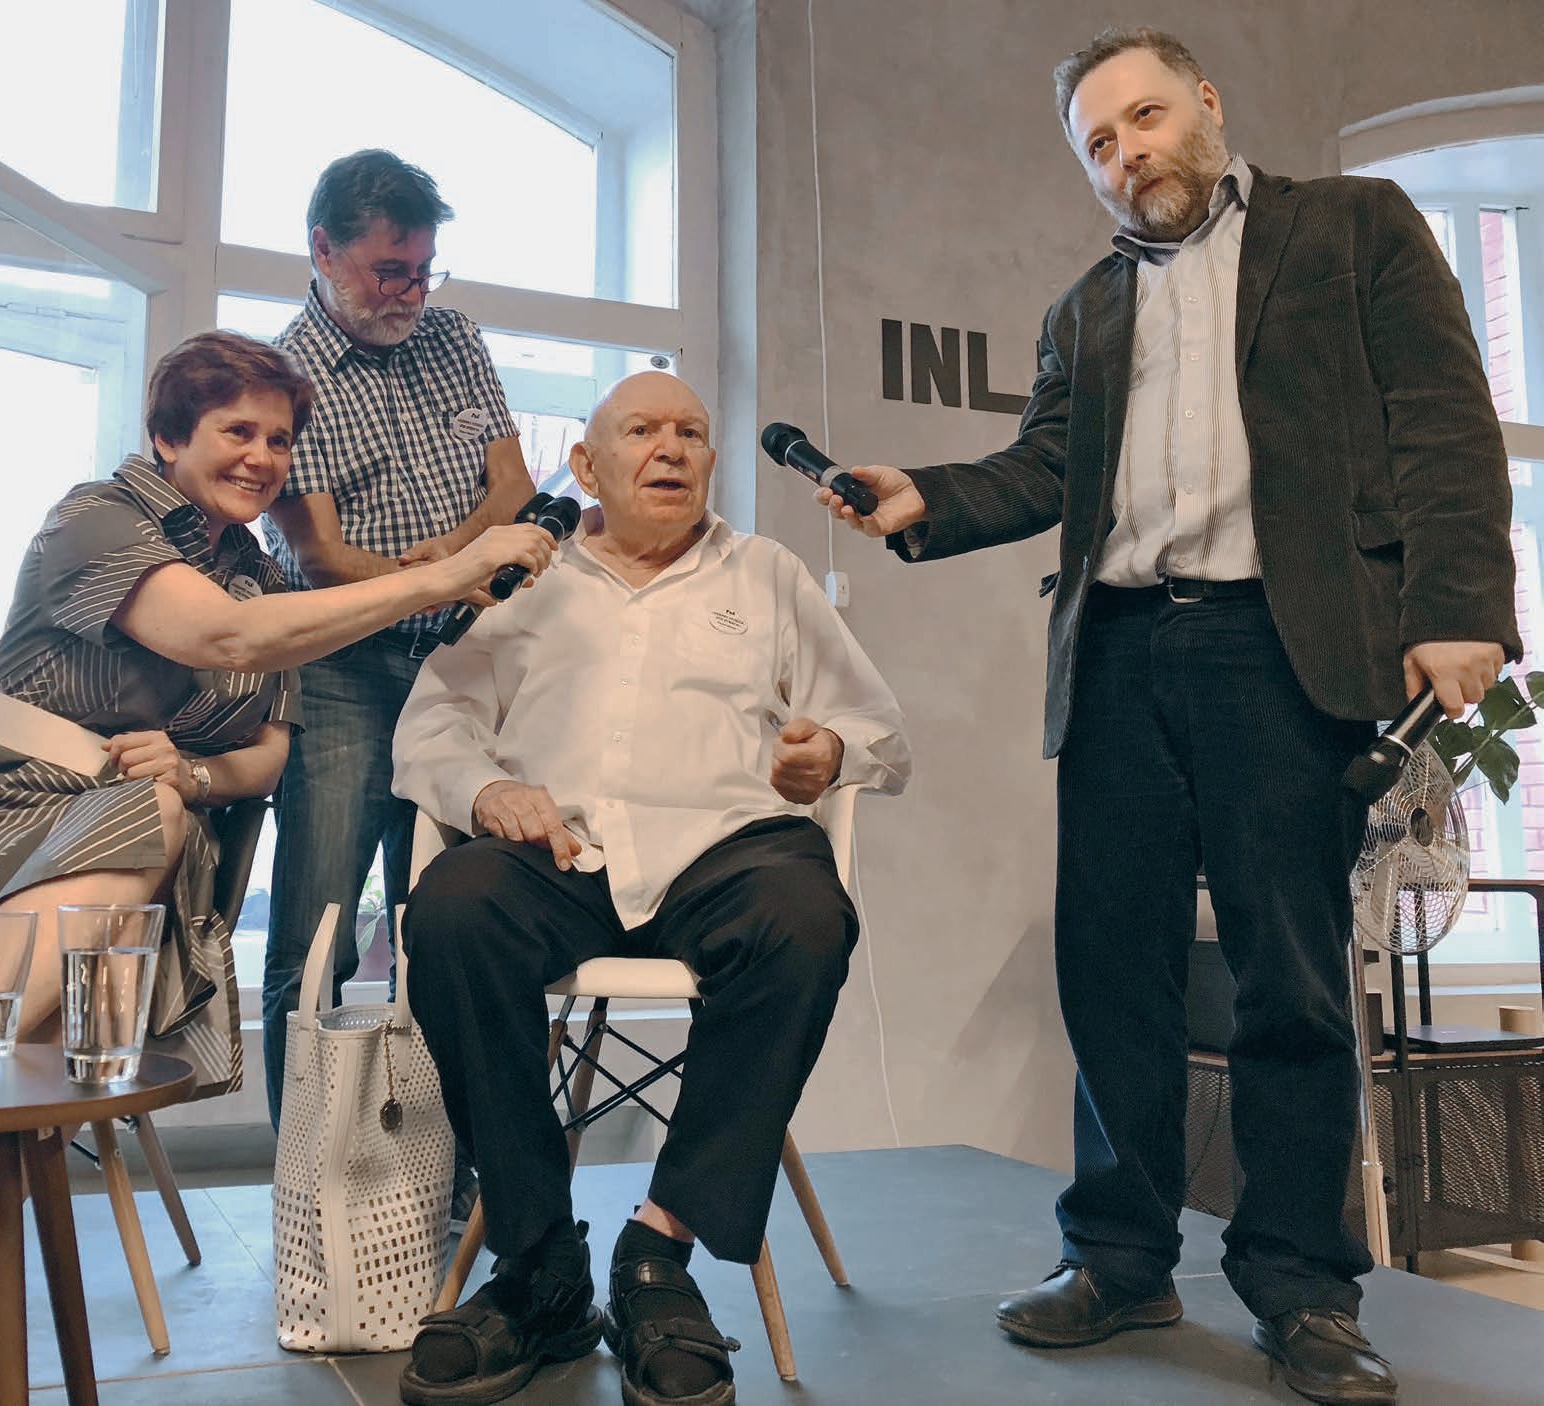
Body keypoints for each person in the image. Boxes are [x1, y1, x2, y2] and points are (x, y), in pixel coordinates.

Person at [815, 28, 1518, 1406]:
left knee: (1289, 979)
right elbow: (1047, 465)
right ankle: (1121, 1256)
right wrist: (928, 498)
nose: (1126, 151)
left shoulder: (1351, 229)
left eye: (1142, 116)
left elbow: (1445, 416)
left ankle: (1302, 1283)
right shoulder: (1085, 308)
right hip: (1121, 652)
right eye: (1098, 142)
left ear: (1203, 101)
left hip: (1280, 644)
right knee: (1112, 969)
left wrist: (1458, 604)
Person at [0, 330, 555, 1406]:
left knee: (113, 925)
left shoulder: (257, 572)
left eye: (280, 440)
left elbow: (268, 755)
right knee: (94, 967)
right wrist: (447, 572)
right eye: (237, 431)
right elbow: (228, 643)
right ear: (168, 436)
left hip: (121, 873)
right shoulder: (96, 516)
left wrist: (194, 772)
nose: (262, 457)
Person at [392, 371, 910, 1406]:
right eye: (641, 430)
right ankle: (538, 1262)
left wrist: (831, 752)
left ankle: (659, 1253)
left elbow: (877, 729)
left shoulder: (766, 574)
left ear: (711, 461)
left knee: (806, 917)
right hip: (562, 849)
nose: (670, 448)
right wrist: (488, 789)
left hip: (729, 848)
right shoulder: (523, 575)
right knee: (452, 908)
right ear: (587, 466)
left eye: (690, 432)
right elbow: (434, 723)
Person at [261, 148, 538, 1132]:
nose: (411, 294)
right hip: (343, 674)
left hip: (464, 666)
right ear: (323, 250)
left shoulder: (453, 337)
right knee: (319, 940)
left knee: (451, 934)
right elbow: (321, 558)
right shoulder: (282, 376)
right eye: (389, 271)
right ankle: (309, 1177)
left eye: (423, 270)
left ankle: (444, 1179)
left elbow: (513, 487)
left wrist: (451, 560)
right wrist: (447, 570)